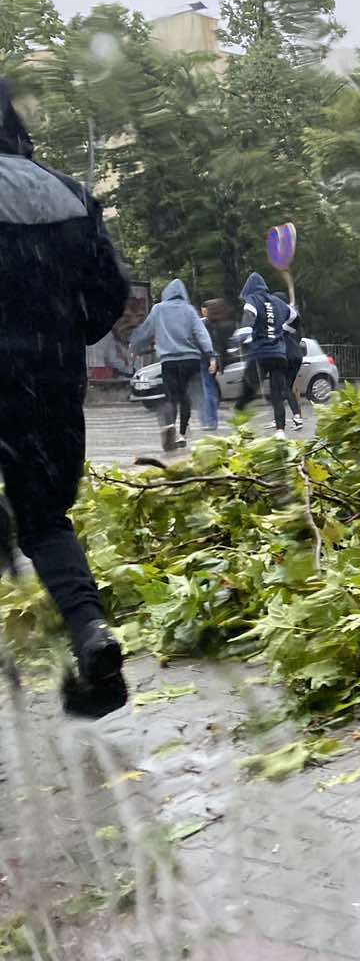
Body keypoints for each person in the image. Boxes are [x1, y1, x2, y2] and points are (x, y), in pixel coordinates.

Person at [0, 77, 130, 716]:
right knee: (46, 520)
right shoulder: (68, 193)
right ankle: (90, 632)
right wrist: (60, 337)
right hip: (49, 385)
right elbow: (111, 292)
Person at [129, 279, 216, 449]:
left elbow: (146, 330)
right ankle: (183, 434)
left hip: (169, 361)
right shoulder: (189, 310)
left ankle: (172, 429)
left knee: (171, 397)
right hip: (191, 360)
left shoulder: (158, 309)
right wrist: (211, 355)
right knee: (186, 397)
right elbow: (201, 334)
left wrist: (135, 346)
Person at [236, 272, 297, 440]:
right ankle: (280, 432)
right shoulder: (278, 302)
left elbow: (247, 323)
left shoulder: (253, 301)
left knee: (247, 392)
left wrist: (242, 341)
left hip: (259, 355)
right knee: (277, 394)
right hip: (279, 354)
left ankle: (240, 430)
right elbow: (295, 318)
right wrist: (283, 331)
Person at [199, 299, 231, 430]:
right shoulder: (222, 324)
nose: (202, 311)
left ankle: (210, 420)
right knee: (211, 389)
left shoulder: (207, 324)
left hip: (206, 359)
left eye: (204, 308)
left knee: (208, 389)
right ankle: (212, 420)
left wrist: (212, 359)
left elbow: (212, 344)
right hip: (214, 359)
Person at [281, 298, 306, 430]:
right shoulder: (293, 325)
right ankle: (281, 417)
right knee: (285, 389)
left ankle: (297, 417)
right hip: (297, 356)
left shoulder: (280, 323)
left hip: (288, 357)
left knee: (285, 388)